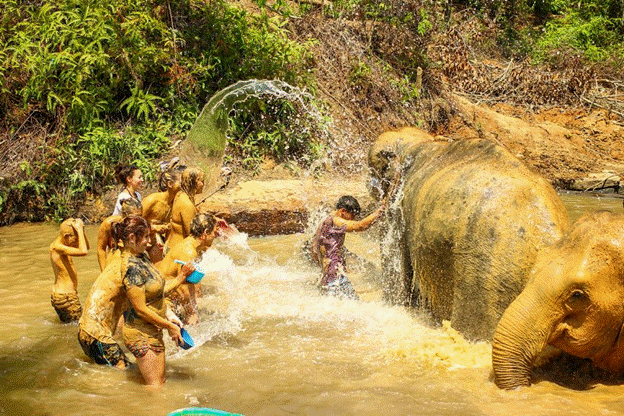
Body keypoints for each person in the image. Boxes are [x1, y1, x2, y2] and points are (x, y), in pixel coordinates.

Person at [118, 215, 195, 386]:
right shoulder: (131, 269)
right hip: (141, 335)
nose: (149, 241)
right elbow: (140, 309)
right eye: (145, 236)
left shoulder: (141, 257)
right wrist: (170, 327)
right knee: (156, 388)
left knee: (158, 382)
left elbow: (156, 292)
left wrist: (182, 276)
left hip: (151, 330)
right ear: (132, 238)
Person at [310, 196, 386, 300]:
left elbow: (314, 248)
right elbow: (360, 226)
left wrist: (325, 269)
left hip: (328, 278)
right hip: (336, 280)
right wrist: (381, 211)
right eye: (352, 216)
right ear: (342, 211)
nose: (353, 219)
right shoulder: (336, 221)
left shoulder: (324, 221)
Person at [157, 213, 219, 325]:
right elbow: (183, 287)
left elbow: (188, 283)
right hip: (162, 301)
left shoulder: (193, 246)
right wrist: (191, 314)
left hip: (169, 297)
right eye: (214, 232)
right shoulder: (188, 252)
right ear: (205, 233)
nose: (215, 235)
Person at [49, 218, 90, 323]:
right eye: (75, 238)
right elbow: (83, 251)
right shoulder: (57, 247)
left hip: (65, 295)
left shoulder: (64, 244)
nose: (76, 242)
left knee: (69, 327)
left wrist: (81, 231)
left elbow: (86, 247)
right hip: (66, 298)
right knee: (77, 328)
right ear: (67, 236)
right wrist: (79, 230)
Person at [141, 161, 186, 248]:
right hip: (147, 237)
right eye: (181, 182)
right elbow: (135, 221)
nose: (183, 185)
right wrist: (153, 227)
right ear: (170, 184)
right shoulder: (152, 200)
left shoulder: (176, 202)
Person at [97, 198, 142, 270]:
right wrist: (104, 272)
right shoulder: (108, 224)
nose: (138, 219)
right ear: (124, 214)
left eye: (140, 216)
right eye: (134, 216)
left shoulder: (141, 225)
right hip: (114, 262)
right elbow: (101, 249)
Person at [165, 167, 205, 250]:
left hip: (171, 245)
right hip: (178, 251)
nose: (203, 184)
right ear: (195, 182)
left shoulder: (180, 194)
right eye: (202, 181)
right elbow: (192, 236)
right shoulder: (187, 204)